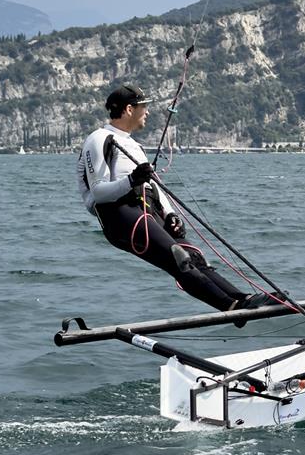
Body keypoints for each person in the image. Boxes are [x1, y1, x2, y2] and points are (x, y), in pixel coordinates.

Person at [76, 84, 274, 316]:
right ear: (129, 109)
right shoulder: (99, 138)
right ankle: (231, 307)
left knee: (195, 258)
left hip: (149, 210)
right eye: (144, 107)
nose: (148, 112)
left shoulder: (133, 144)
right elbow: (98, 193)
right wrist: (131, 180)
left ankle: (243, 299)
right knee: (178, 258)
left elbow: (152, 184)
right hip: (120, 214)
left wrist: (169, 213)